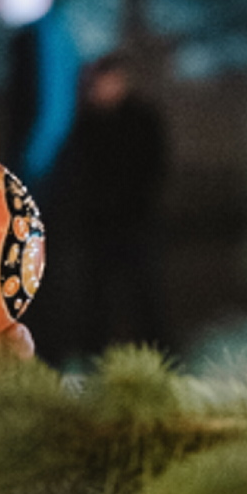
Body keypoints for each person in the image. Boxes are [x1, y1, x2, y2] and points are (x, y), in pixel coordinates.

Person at [46, 52, 168, 359]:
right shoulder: (85, 125)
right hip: (97, 226)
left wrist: (137, 201)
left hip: (135, 223)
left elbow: (155, 166)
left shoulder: (142, 119)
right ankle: (93, 359)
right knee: (94, 299)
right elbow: (75, 173)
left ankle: (158, 358)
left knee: (144, 297)